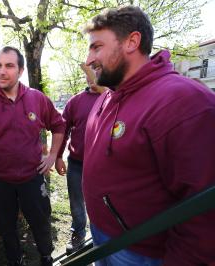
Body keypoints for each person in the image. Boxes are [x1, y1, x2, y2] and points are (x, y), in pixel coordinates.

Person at [83, 6, 215, 265]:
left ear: (132, 42)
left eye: (96, 47)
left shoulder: (183, 101)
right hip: (102, 237)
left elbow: (205, 211)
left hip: (143, 253)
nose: (88, 59)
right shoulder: (108, 95)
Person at [0, 46, 65, 266]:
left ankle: (46, 256)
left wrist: (52, 156)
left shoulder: (37, 99)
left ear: (20, 71)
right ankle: (15, 260)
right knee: (6, 226)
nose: (2, 71)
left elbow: (59, 125)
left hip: (32, 176)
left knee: (40, 221)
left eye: (9, 66)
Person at [55, 63, 102, 254]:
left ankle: (101, 236)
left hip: (102, 166)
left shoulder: (113, 98)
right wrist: (58, 156)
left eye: (97, 71)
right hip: (76, 163)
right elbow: (63, 131)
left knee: (100, 202)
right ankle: (79, 232)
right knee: (76, 201)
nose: (91, 76)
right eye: (88, 73)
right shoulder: (75, 102)